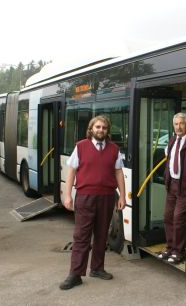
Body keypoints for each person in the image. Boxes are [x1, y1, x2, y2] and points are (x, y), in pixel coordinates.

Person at [60, 115, 126, 290]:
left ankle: (97, 268)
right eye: (97, 127)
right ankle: (75, 274)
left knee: (102, 235)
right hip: (85, 197)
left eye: (104, 128)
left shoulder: (114, 149)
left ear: (107, 130)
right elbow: (71, 171)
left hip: (107, 197)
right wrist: (67, 195)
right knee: (81, 236)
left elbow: (119, 172)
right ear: (91, 129)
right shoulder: (80, 147)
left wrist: (122, 196)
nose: (101, 130)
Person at [158, 112, 186, 265]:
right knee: (167, 216)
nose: (178, 127)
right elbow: (169, 159)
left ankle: (179, 251)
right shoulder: (172, 140)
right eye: (176, 124)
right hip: (172, 185)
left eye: (181, 123)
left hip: (185, 187)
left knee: (178, 219)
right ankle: (170, 247)